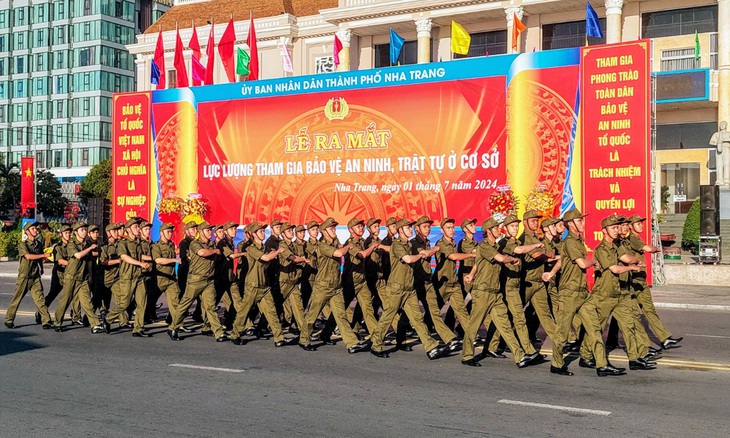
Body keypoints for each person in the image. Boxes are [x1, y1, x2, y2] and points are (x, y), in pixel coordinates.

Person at [580, 214, 652, 376]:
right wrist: (632, 268)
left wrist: (636, 261)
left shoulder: (616, 246)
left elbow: (625, 257)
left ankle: (634, 359)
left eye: (617, 227)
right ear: (604, 231)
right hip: (603, 296)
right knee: (596, 328)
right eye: (613, 228)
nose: (617, 230)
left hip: (618, 293)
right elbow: (615, 269)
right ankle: (585, 355)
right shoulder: (601, 249)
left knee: (629, 324)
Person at [461, 217, 538, 368]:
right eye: (496, 228)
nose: (498, 230)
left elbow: (478, 262)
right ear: (488, 231)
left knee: (505, 325)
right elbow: (500, 258)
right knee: (473, 325)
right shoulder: (484, 245)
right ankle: (467, 355)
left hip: (495, 293)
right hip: (483, 292)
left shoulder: (494, 246)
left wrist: (471, 274)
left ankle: (520, 356)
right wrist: (511, 260)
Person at [369, 218, 449, 360]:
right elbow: (408, 259)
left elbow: (424, 251)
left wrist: (432, 250)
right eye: (407, 228)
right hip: (396, 288)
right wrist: (421, 255)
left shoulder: (410, 244)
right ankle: (376, 344)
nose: (410, 230)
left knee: (417, 318)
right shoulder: (397, 245)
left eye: (410, 227)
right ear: (400, 230)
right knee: (388, 317)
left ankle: (430, 347)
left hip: (409, 288)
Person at [298, 217, 368, 354]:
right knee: (312, 315)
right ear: (324, 232)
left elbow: (339, 248)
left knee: (341, 316)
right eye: (331, 228)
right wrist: (349, 246)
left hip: (336, 287)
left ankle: (351, 343)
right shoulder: (322, 245)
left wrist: (345, 246)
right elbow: (339, 253)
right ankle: (304, 339)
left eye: (334, 227)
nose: (334, 230)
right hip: (323, 286)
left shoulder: (335, 242)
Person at [547, 209, 599, 376]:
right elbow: (582, 264)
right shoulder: (570, 241)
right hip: (569, 292)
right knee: (563, 330)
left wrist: (552, 273)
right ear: (571, 224)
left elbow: (563, 261)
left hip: (581, 291)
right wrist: (594, 262)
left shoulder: (576, 240)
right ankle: (557, 363)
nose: (583, 223)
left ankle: (589, 357)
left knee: (592, 325)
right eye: (580, 220)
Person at [230, 221, 291, 347]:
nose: (263, 233)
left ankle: (279, 337)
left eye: (264, 231)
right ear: (253, 234)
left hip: (264, 285)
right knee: (244, 311)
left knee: (271, 311)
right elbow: (266, 258)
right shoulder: (251, 248)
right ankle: (235, 333)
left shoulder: (265, 248)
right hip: (252, 285)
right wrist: (278, 251)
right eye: (260, 231)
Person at [627, 215, 683, 350]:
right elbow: (647, 249)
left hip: (640, 279)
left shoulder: (636, 238)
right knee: (629, 314)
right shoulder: (632, 239)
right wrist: (656, 248)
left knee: (648, 310)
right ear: (631, 226)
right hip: (632, 281)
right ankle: (643, 345)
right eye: (638, 223)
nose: (641, 225)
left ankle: (665, 338)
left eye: (641, 223)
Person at [169, 221, 228, 342]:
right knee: (185, 304)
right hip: (196, 280)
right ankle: (173, 326)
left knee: (210, 306)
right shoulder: (195, 244)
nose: (210, 232)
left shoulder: (211, 244)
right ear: (201, 233)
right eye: (207, 230)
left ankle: (218, 332)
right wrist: (215, 251)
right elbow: (202, 253)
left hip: (208, 280)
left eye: (210, 230)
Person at [411, 215, 461, 351]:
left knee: (434, 312)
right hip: (415, 284)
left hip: (427, 282)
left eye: (428, 226)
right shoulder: (414, 243)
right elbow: (425, 254)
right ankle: (401, 335)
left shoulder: (427, 241)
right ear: (417, 229)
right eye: (424, 226)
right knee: (410, 315)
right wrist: (435, 249)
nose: (427, 229)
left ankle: (449, 338)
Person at [102, 217, 152, 337]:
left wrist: (152, 260)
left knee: (142, 303)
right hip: (127, 277)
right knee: (124, 303)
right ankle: (108, 319)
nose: (138, 229)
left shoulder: (139, 243)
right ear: (128, 229)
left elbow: (141, 256)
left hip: (139, 277)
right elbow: (124, 257)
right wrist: (140, 263)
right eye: (135, 227)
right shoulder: (123, 243)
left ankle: (138, 328)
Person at [53, 222, 104, 333]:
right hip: (71, 277)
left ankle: (95, 324)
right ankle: (57, 322)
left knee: (87, 302)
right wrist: (90, 248)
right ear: (75, 233)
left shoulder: (86, 245)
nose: (84, 232)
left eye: (85, 230)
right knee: (65, 301)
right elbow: (78, 255)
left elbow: (93, 255)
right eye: (81, 230)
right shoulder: (72, 245)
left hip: (82, 278)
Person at [433, 217, 474, 342]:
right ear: (442, 230)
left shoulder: (453, 243)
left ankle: (470, 335)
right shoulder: (441, 244)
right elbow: (453, 256)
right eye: (448, 228)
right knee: (434, 310)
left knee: (461, 310)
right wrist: (472, 254)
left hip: (454, 283)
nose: (451, 230)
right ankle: (425, 330)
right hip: (442, 283)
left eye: (452, 227)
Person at [519, 210, 557, 342]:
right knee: (516, 314)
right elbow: (537, 256)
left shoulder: (535, 238)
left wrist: (547, 254)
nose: (536, 223)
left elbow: (543, 255)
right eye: (533, 220)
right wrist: (549, 255)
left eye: (537, 220)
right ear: (525, 222)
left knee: (545, 314)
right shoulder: (525, 239)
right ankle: (500, 342)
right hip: (527, 281)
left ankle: (559, 341)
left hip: (538, 282)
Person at [5, 221, 51, 329]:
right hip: (24, 277)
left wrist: (42, 268)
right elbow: (28, 256)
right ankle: (9, 319)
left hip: (35, 276)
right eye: (33, 229)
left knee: (40, 299)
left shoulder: (38, 244)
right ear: (27, 232)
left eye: (36, 228)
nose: (36, 230)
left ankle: (46, 320)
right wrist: (44, 255)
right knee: (17, 298)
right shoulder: (23, 245)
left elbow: (39, 260)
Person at [342, 217, 380, 335]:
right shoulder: (350, 243)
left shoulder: (363, 242)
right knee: (341, 308)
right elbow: (362, 255)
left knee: (367, 308)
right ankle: (326, 332)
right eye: (358, 226)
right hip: (350, 281)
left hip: (362, 281)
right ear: (351, 230)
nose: (361, 228)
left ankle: (376, 336)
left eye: (361, 226)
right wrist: (373, 246)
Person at [152, 222, 186, 341]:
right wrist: (174, 259)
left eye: (171, 231)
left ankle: (175, 327)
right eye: (168, 232)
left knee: (175, 303)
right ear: (161, 233)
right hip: (159, 279)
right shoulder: (156, 246)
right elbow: (158, 260)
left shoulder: (171, 244)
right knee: (147, 302)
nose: (170, 234)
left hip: (171, 278)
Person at [278, 222, 309, 337]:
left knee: (298, 307)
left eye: (292, 230)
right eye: (288, 231)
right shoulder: (282, 245)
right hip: (284, 281)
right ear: (283, 234)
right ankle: (262, 326)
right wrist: (304, 260)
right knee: (276, 307)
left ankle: (304, 332)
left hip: (293, 280)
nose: (291, 232)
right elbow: (292, 258)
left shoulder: (293, 245)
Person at [42, 224, 71, 312]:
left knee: (73, 295)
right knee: (52, 294)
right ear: (61, 234)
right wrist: (73, 264)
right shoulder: (58, 247)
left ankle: (75, 316)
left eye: (69, 233)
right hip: (59, 274)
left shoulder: (72, 246)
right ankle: (41, 312)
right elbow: (60, 261)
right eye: (66, 233)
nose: (68, 235)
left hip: (69, 274)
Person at [99, 223, 123, 324]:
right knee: (101, 303)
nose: (117, 232)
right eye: (114, 231)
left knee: (121, 300)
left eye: (117, 230)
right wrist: (118, 261)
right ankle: (89, 319)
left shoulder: (120, 245)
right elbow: (103, 261)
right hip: (105, 278)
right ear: (108, 233)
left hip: (116, 278)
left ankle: (124, 322)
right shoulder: (104, 247)